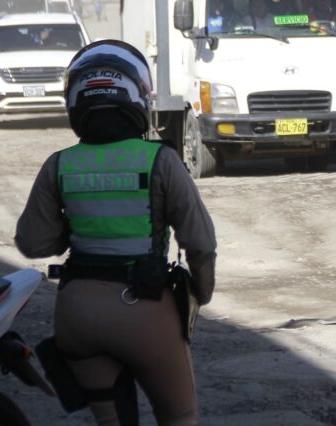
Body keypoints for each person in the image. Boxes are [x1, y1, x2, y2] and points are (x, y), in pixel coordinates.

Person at [15, 40, 217, 426]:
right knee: (180, 416)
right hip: (146, 312)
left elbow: (32, 241)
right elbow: (201, 242)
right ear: (137, 98)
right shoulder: (161, 160)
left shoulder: (58, 165)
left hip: (76, 316)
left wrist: (71, 230)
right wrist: (201, 293)